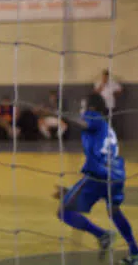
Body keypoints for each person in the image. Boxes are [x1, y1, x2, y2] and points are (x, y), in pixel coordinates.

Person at [55, 93, 137, 265]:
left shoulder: (93, 117)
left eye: (84, 107)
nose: (82, 110)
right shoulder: (106, 125)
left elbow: (83, 121)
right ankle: (135, 252)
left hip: (99, 175)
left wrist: (61, 114)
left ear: (91, 107)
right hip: (117, 174)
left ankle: (102, 234)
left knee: (64, 212)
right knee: (114, 211)